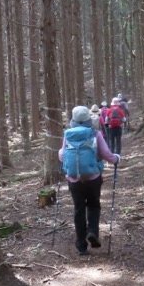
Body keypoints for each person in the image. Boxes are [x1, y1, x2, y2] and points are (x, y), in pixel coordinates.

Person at [58, 106, 120, 255]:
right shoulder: (95, 133)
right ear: (88, 119)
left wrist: (61, 154)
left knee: (78, 209)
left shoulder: (68, 134)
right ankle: (92, 232)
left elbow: (62, 155)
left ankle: (81, 245)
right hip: (93, 178)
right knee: (93, 205)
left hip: (73, 179)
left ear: (73, 119)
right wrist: (116, 158)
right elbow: (106, 154)